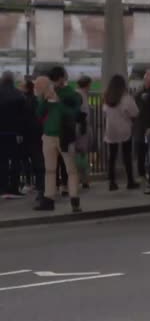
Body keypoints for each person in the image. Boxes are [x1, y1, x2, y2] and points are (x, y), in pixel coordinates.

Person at [33, 66, 82, 212]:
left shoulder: (71, 94)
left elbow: (74, 114)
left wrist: (58, 102)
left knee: (70, 169)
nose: (53, 83)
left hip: (65, 136)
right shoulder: (48, 94)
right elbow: (39, 114)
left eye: (55, 79)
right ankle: (48, 199)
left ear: (62, 79)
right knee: (50, 169)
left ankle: (74, 199)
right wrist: (45, 100)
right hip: (49, 135)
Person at [101, 74, 140, 190]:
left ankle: (112, 182)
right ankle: (130, 181)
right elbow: (135, 113)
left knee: (112, 157)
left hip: (111, 130)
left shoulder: (107, 98)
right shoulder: (126, 98)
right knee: (127, 155)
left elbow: (104, 112)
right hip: (124, 129)